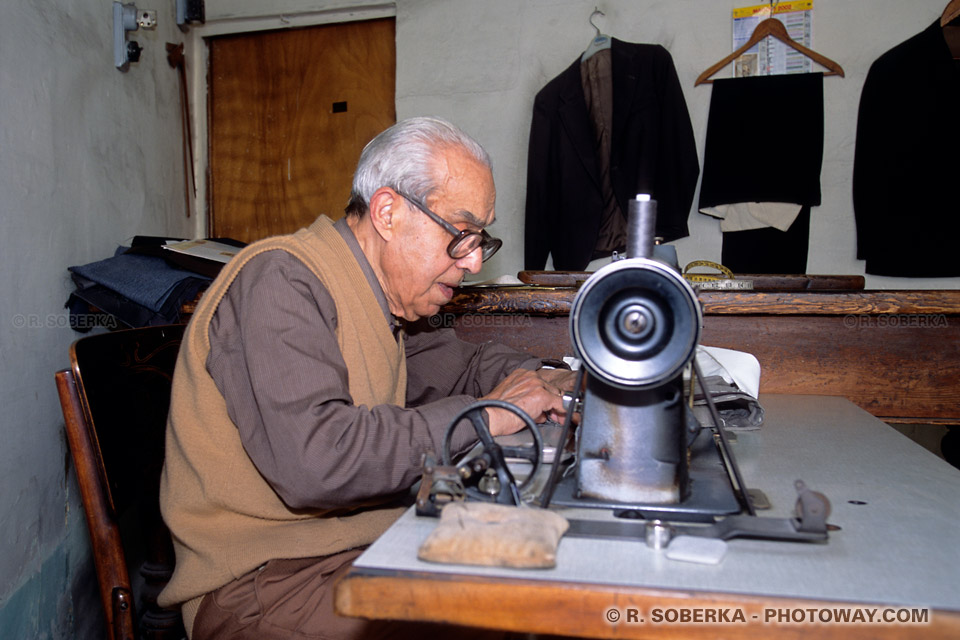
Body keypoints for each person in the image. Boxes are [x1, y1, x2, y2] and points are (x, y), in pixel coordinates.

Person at [158, 116, 576, 639]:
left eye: (479, 240)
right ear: (388, 212)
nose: (471, 262)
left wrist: (543, 379)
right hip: (264, 585)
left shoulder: (390, 303)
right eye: (461, 235)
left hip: (352, 549)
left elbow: (463, 365)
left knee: (544, 577)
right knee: (510, 618)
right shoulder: (280, 280)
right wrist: (488, 415)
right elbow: (319, 461)